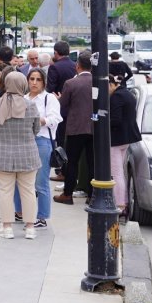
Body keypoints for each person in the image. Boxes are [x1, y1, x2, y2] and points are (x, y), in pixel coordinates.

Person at [0, 72, 42, 239]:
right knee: (28, 191)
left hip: (2, 154)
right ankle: (31, 228)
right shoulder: (30, 105)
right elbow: (36, 129)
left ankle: (7, 228)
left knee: (5, 191)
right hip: (27, 154)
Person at [16, 68, 62, 229]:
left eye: (38, 79)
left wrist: (40, 120)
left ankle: (41, 216)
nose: (34, 82)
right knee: (19, 178)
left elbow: (56, 118)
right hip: (24, 140)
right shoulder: (24, 98)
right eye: (32, 79)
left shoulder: (49, 99)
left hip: (42, 140)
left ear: (44, 82)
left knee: (40, 181)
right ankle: (19, 211)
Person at [56, 53, 95, 205]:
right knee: (93, 163)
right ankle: (92, 196)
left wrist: (59, 98)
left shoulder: (71, 83)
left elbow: (63, 104)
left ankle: (67, 194)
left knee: (72, 162)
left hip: (75, 127)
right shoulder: (98, 82)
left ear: (77, 66)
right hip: (93, 126)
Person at [108, 74, 142, 215]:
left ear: (111, 84)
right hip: (126, 138)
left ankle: (120, 205)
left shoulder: (117, 97)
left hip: (117, 139)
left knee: (116, 173)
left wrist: (101, 123)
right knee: (120, 172)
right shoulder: (126, 93)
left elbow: (115, 120)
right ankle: (124, 202)